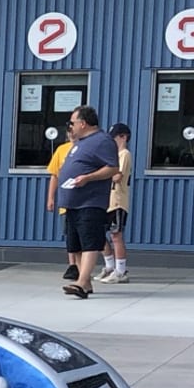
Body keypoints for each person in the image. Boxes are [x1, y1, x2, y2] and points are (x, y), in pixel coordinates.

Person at [54, 106, 121, 299]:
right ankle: (86, 281)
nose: (70, 127)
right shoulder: (81, 142)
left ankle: (82, 282)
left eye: (72, 123)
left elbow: (112, 168)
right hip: (74, 202)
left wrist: (88, 177)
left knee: (91, 241)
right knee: (79, 242)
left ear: (83, 123)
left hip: (90, 201)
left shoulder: (102, 141)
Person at [96, 123, 134, 284]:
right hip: (106, 200)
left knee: (116, 235)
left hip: (117, 200)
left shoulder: (124, 154)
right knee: (99, 234)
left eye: (115, 137)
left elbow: (117, 176)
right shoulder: (111, 155)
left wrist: (101, 176)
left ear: (123, 137)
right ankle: (109, 266)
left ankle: (120, 270)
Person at [43, 130, 78, 282]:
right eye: (69, 133)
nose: (71, 135)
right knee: (70, 235)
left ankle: (82, 267)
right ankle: (72, 265)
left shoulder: (87, 149)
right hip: (66, 200)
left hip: (82, 200)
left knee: (81, 237)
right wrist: (51, 197)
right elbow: (54, 175)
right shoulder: (61, 150)